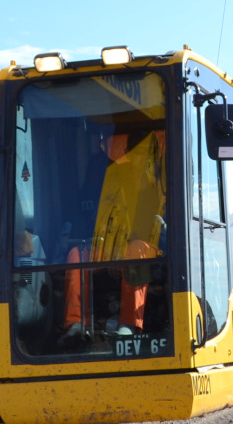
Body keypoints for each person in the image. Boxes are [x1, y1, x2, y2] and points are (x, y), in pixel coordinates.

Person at [62, 129, 166, 341]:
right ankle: (76, 323)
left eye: (145, 153)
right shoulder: (110, 176)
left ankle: (129, 324)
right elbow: (93, 215)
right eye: (135, 152)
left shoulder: (162, 181)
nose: (140, 159)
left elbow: (166, 228)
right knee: (76, 254)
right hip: (108, 245)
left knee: (136, 249)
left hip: (146, 249)